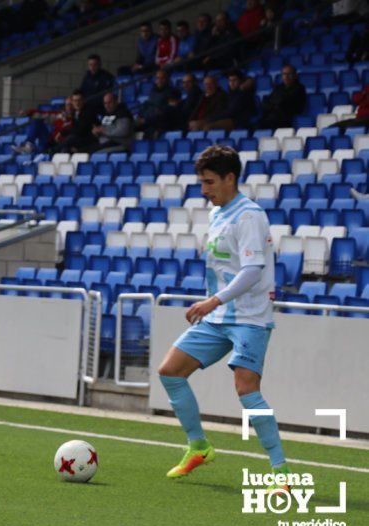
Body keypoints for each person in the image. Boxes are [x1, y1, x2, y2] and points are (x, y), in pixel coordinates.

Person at [158, 145, 290, 488]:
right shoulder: (218, 214)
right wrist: (215, 304)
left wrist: (212, 301)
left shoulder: (249, 216)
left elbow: (252, 271)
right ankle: (198, 447)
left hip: (250, 317)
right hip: (220, 315)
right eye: (202, 182)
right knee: (170, 371)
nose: (204, 190)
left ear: (231, 178)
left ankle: (281, 471)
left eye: (210, 182)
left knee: (246, 389)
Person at [14, 91, 94, 154]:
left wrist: (62, 133)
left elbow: (76, 131)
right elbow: (44, 114)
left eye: (70, 104)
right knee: (36, 121)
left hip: (63, 144)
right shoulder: (60, 114)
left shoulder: (77, 117)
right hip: (51, 141)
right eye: (67, 105)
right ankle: (28, 145)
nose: (68, 107)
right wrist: (29, 112)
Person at [258, 65, 306, 129]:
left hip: (287, 117)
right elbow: (268, 101)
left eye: (289, 74)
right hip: (273, 116)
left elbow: (288, 102)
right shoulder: (278, 87)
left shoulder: (300, 88)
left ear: (295, 75)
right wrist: (275, 104)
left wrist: (276, 103)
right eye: (284, 74)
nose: (286, 77)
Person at [136, 69, 176, 138]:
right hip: (148, 121)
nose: (159, 80)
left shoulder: (172, 92)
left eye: (162, 78)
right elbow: (147, 104)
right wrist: (140, 116)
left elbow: (163, 111)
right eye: (158, 78)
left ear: (167, 79)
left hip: (159, 124)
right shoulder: (153, 91)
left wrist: (146, 120)